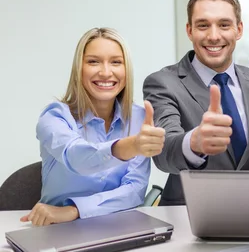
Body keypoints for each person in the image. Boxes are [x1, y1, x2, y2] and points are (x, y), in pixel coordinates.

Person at [143, 0, 249, 206]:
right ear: (189, 30)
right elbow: (165, 154)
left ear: (238, 30)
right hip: (190, 215)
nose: (213, 36)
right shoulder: (163, 83)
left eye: (224, 25)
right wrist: (194, 142)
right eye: (203, 26)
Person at [21, 28, 165, 226]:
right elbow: (78, 158)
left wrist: (75, 210)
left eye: (116, 62)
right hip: (57, 228)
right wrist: (130, 146)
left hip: (117, 226)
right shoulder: (55, 117)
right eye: (93, 61)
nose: (106, 72)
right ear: (78, 68)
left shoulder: (139, 117)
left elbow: (134, 191)